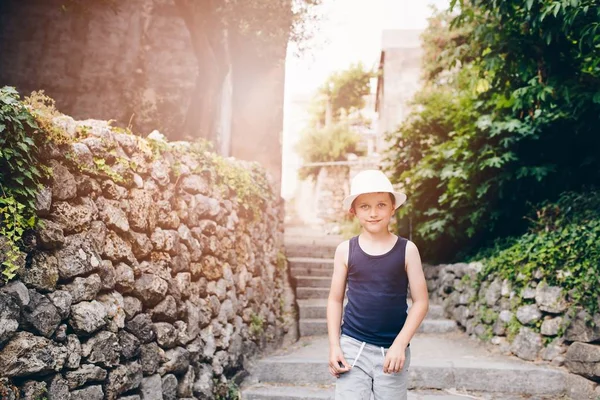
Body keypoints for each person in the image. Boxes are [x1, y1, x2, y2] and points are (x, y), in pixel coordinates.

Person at [327, 169, 429, 400]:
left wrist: (400, 344)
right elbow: (335, 299)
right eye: (365, 206)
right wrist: (335, 346)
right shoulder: (345, 250)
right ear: (353, 211)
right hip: (352, 346)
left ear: (393, 207)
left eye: (381, 205)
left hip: (392, 350)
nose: (373, 213)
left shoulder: (407, 250)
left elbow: (421, 302)